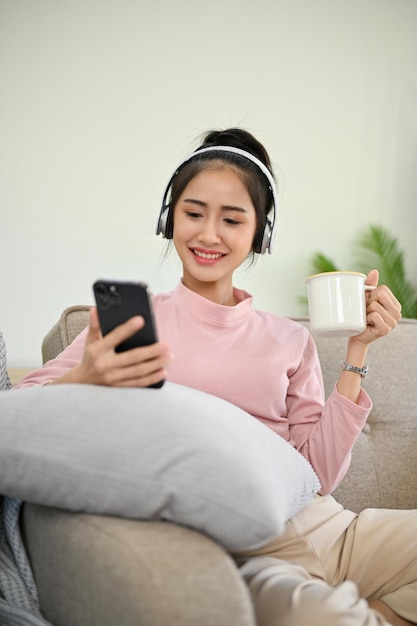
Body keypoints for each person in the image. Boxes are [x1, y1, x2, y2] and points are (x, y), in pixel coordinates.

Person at [15, 128, 415, 625]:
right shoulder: (131, 318)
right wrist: (87, 377)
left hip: (336, 530)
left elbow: (320, 475)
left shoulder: (289, 339)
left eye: (232, 219)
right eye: (193, 213)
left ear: (259, 235)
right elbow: (21, 407)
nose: (208, 235)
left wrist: (358, 350)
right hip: (254, 551)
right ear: (169, 219)